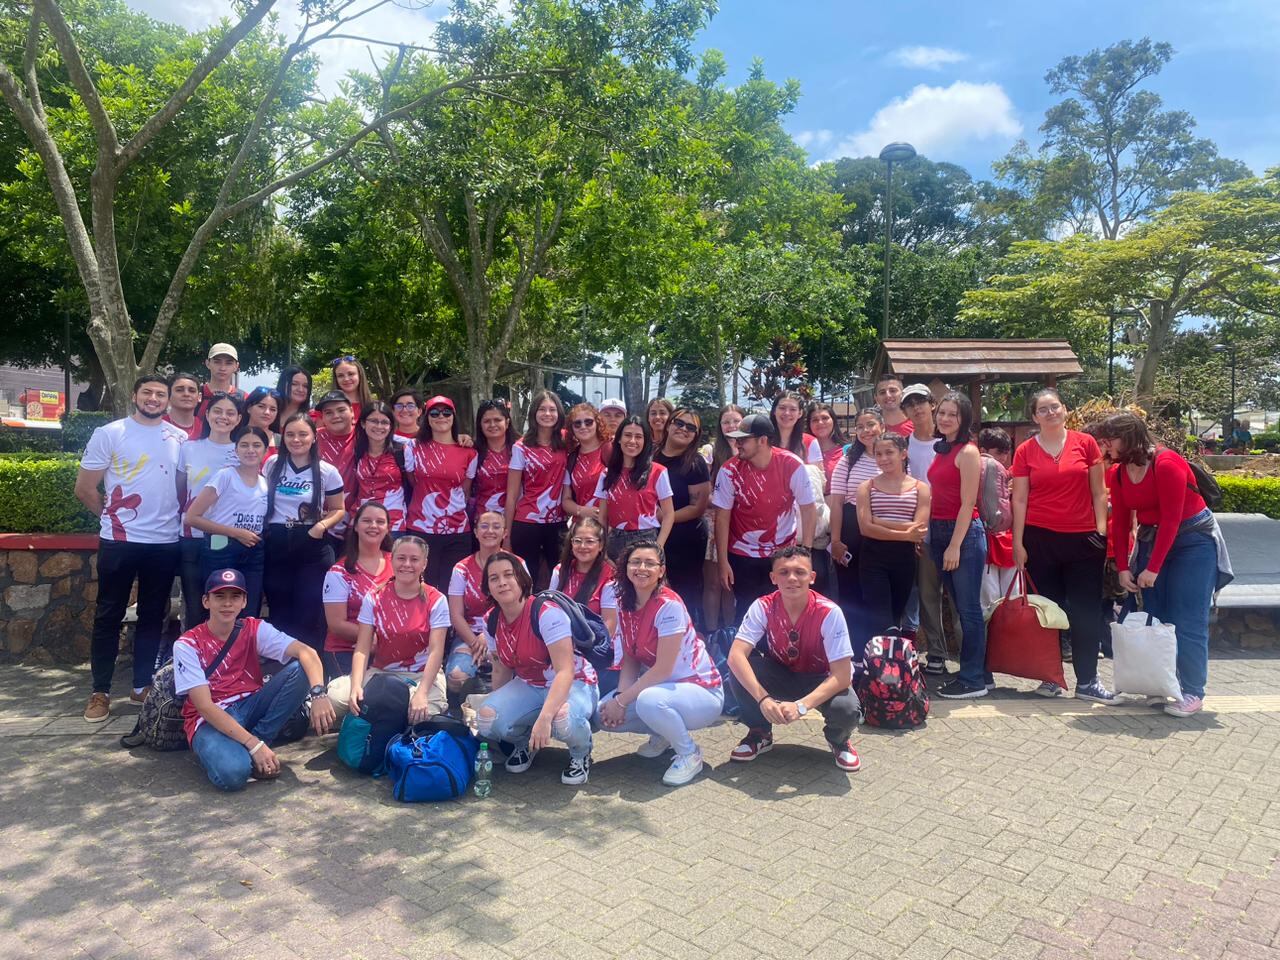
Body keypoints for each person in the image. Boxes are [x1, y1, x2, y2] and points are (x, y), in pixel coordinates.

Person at [1094, 413, 1227, 718]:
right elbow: (1122, 521)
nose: (1105, 446)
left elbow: (1171, 519)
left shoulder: (1166, 464)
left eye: (1110, 439)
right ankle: (1159, 684)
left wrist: (1151, 568)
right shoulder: (1118, 472)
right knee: (1155, 614)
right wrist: (1124, 567)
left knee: (1187, 618)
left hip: (1192, 541)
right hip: (1153, 540)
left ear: (1128, 438)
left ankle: (1193, 690)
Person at [75, 375, 185, 722]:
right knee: (109, 615)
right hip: (119, 542)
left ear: (167, 401)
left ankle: (141, 686)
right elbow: (85, 488)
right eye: (147, 392)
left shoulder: (179, 438)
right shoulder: (110, 433)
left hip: (165, 542)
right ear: (135, 395)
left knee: (154, 615)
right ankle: (100, 691)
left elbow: (182, 491)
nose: (153, 398)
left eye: (160, 394)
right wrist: (111, 520)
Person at [175, 569, 336, 792]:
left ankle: (261, 740)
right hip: (209, 720)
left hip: (249, 705)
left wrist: (319, 694)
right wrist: (252, 744)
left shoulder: (253, 628)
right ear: (206, 601)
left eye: (235, 597)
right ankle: (249, 748)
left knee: (301, 670)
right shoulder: (187, 644)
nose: (227, 604)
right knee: (233, 774)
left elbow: (307, 653)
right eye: (219, 597)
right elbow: (204, 707)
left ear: (244, 601)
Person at [1010, 392, 1113, 701]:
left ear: (1065, 410)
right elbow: (1020, 498)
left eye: (1055, 406)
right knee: (1048, 613)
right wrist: (1017, 542)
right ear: (1034, 417)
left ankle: (1087, 681)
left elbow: (1099, 493)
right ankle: (1051, 677)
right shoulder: (1025, 451)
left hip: (1084, 540)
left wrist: (1101, 532)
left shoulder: (1086, 444)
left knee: (1085, 612)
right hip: (1039, 539)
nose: (1050, 412)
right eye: (1043, 409)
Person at [725, 546, 862, 771]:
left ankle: (839, 740)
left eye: (800, 572)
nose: (792, 579)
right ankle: (759, 732)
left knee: (846, 709)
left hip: (820, 678)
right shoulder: (763, 606)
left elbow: (843, 675)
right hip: (781, 673)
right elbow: (736, 655)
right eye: (784, 572)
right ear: (773, 577)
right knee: (739, 669)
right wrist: (764, 700)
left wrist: (801, 706)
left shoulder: (830, 612)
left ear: (812, 577)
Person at [598, 541, 723, 786]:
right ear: (625, 567)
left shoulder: (669, 605)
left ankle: (689, 753)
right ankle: (664, 733)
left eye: (649, 563)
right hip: (664, 691)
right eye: (635, 562)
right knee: (601, 714)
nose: (641, 568)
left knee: (649, 701)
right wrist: (619, 696)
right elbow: (632, 656)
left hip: (701, 691)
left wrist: (622, 701)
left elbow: (663, 669)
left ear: (661, 571)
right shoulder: (625, 602)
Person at [477, 552, 599, 784]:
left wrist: (544, 719)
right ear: (488, 587)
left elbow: (565, 671)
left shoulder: (546, 613)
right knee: (487, 718)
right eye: (494, 578)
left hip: (574, 682)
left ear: (522, 579)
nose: (502, 582)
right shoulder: (491, 620)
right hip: (530, 683)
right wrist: (500, 711)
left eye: (508, 575)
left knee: (562, 720)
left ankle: (581, 753)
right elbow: (501, 669)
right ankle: (525, 743)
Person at [326, 536, 450, 723]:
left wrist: (422, 693)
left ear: (424, 564)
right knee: (334, 699)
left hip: (420, 675)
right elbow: (362, 649)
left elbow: (436, 652)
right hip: (381, 674)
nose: (407, 564)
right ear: (392, 560)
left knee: (424, 716)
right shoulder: (374, 597)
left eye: (414, 559)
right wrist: (356, 686)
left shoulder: (436, 599)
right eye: (401, 558)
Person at [713, 413, 817, 622]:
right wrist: (723, 561)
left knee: (782, 608)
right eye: (736, 439)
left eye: (743, 439)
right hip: (741, 553)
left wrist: (805, 552)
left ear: (762, 440)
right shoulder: (728, 471)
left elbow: (808, 509)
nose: (737, 443)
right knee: (746, 610)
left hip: (782, 551)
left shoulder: (791, 464)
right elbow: (722, 517)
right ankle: (747, 654)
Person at [261, 413, 347, 650]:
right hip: (277, 542)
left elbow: (339, 509)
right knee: (279, 609)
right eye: (290, 434)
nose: (296, 439)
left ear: (313, 437)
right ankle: (280, 668)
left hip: (311, 544)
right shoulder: (271, 464)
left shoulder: (327, 471)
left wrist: (320, 527)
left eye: (302, 434)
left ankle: (310, 671)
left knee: (309, 611)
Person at [928, 392, 991, 699]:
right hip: (940, 531)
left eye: (953, 414)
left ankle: (973, 679)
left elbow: (968, 503)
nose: (945, 418)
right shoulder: (942, 449)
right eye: (942, 413)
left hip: (962, 534)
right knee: (961, 607)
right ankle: (980, 672)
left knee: (968, 611)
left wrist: (954, 546)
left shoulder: (967, 452)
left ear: (964, 419)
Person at [185, 427, 270, 617]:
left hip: (254, 551)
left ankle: (245, 647)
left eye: (257, 445)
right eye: (244, 445)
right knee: (220, 610)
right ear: (236, 449)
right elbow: (192, 517)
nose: (250, 450)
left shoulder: (265, 483)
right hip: (222, 549)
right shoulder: (225, 476)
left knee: (249, 612)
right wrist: (235, 532)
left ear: (265, 451)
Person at [900, 383, 955, 675]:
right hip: (921, 528)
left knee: (960, 598)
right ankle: (936, 653)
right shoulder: (903, 445)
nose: (917, 408)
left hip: (953, 523)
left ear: (931, 404)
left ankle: (973, 660)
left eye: (921, 402)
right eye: (910, 404)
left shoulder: (951, 441)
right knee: (928, 594)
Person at [856, 434, 930, 645]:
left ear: (903, 454)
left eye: (889, 452)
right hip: (873, 558)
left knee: (896, 615)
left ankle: (890, 667)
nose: (883, 458)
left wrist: (880, 521)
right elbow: (866, 528)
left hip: (904, 560)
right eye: (878, 454)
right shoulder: (866, 487)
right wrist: (905, 534)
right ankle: (879, 667)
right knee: (880, 617)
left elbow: (920, 527)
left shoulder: (920, 488)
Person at [175, 392, 241, 629]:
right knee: (195, 606)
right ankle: (194, 658)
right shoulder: (188, 448)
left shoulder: (243, 451)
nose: (223, 417)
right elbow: (179, 490)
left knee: (224, 603)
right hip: (192, 537)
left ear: (238, 419)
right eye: (217, 411)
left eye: (230, 413)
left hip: (227, 539)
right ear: (207, 415)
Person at [403, 395, 478, 590]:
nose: (441, 417)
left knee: (452, 587)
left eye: (446, 412)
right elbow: (413, 481)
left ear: (454, 416)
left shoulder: (469, 452)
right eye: (434, 413)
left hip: (457, 530)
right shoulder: (413, 447)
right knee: (421, 586)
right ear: (427, 418)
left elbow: (466, 489)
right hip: (421, 527)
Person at [505, 389, 569, 588]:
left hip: (557, 521)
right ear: (534, 413)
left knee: (559, 576)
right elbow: (512, 493)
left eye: (552, 409)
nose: (547, 414)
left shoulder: (567, 442)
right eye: (542, 409)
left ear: (559, 413)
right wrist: (506, 536)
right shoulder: (521, 447)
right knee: (526, 578)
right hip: (526, 522)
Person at [322, 501, 394, 679]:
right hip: (346, 650)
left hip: (391, 649)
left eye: (380, 522)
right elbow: (336, 625)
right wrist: (374, 638)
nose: (373, 526)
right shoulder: (339, 572)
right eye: (367, 521)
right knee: (358, 698)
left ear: (387, 528)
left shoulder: (399, 563)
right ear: (355, 526)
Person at [446, 511, 509, 710]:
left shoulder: (517, 565)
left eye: (496, 527)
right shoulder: (461, 568)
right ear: (475, 531)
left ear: (505, 533)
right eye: (484, 526)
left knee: (507, 676)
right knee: (456, 677)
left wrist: (489, 635)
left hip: (506, 635)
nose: (490, 531)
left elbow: (521, 609)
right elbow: (455, 614)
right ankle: (460, 716)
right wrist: (476, 643)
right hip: (469, 635)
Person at [551, 516, 620, 693]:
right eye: (578, 541)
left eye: (590, 541)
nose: (583, 546)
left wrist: (580, 649)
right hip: (562, 646)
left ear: (601, 545)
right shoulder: (560, 571)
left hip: (597, 652)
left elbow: (609, 625)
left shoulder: (611, 577)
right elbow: (549, 609)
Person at [827, 407, 884, 622]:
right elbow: (837, 503)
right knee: (851, 591)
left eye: (870, 425)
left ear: (882, 426)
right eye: (860, 427)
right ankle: (854, 647)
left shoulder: (895, 458)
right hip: (851, 531)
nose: (866, 431)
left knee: (879, 592)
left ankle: (880, 648)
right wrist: (836, 540)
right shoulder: (848, 461)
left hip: (885, 532)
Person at [654, 407, 711, 613]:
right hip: (652, 534)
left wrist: (665, 517)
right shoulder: (650, 455)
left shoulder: (696, 463)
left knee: (685, 593)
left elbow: (698, 507)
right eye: (679, 423)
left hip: (686, 539)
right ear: (669, 424)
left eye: (690, 427)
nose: (683, 429)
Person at [596, 416, 674, 561]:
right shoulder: (607, 474)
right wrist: (603, 548)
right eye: (627, 435)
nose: (632, 441)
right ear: (619, 439)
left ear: (645, 442)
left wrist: (659, 547)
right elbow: (602, 517)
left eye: (638, 437)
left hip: (646, 539)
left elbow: (669, 514)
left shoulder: (658, 472)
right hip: (615, 539)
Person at [702, 404, 744, 635]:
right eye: (726, 422)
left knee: (731, 584)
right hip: (716, 524)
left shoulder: (750, 449)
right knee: (713, 583)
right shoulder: (710, 451)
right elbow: (704, 494)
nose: (731, 426)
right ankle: (711, 633)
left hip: (743, 525)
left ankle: (730, 632)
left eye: (736, 421)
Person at [350, 400, 409, 534]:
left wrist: (459, 438)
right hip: (361, 521)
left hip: (393, 524)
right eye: (374, 421)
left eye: (384, 422)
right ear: (364, 423)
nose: (379, 426)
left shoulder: (402, 451)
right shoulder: (357, 451)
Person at [977, 427, 1017, 613]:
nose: (1003, 457)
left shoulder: (1012, 473)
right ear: (983, 451)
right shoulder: (984, 465)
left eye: (1006, 453)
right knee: (995, 599)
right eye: (998, 452)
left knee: (999, 598)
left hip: (1004, 538)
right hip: (988, 536)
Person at [315, 391, 360, 545]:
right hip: (319, 523)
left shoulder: (365, 436)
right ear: (322, 417)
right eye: (329, 412)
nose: (336, 416)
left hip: (356, 524)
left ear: (352, 412)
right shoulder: (311, 439)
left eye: (341, 410)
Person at [561, 402, 610, 522]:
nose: (583, 427)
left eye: (588, 422)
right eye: (577, 424)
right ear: (571, 429)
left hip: (609, 528)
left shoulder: (610, 450)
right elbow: (566, 500)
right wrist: (581, 510)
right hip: (581, 529)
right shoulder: (571, 458)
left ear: (597, 423)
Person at [472, 399, 516, 519]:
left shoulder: (520, 450)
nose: (492, 425)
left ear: (507, 423)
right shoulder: (472, 452)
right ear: (480, 425)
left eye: (497, 420)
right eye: (486, 421)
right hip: (483, 521)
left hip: (516, 520)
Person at [771, 390, 822, 465]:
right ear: (774, 411)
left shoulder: (810, 442)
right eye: (782, 408)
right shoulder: (762, 440)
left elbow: (817, 475)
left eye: (793, 409)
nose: (787, 413)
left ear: (800, 413)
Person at [807, 400, 848, 493]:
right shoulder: (801, 452)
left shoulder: (847, 452)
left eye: (825, 418)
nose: (820, 422)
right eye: (815, 420)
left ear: (833, 421)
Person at [196, 343, 245, 418]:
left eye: (228, 363)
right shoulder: (194, 395)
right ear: (208, 363)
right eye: (217, 362)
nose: (222, 368)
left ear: (236, 366)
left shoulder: (244, 399)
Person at [330, 354, 373, 421]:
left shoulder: (374, 407)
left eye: (351, 374)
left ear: (360, 375)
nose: (346, 379)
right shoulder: (326, 408)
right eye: (340, 375)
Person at [241, 387, 279, 460]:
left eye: (273, 409)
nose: (267, 412)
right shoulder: (233, 436)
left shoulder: (282, 442)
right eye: (261, 406)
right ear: (249, 408)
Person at [164, 372, 203, 441]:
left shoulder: (205, 428)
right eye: (179, 390)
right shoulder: (157, 425)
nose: (186, 394)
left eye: (192, 391)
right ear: (168, 395)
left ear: (199, 397)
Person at [875, 373, 914, 438]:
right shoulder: (872, 429)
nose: (888, 395)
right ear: (876, 398)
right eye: (882, 392)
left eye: (893, 391)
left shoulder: (917, 426)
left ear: (902, 394)